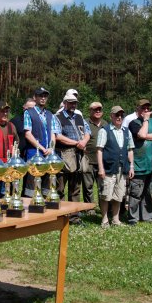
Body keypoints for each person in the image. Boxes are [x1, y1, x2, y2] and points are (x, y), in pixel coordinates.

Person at [96, 106, 134, 229]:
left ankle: (116, 219)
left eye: (121, 115)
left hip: (122, 168)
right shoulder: (104, 130)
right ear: (111, 116)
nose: (119, 117)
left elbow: (130, 150)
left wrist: (131, 166)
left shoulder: (127, 131)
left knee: (119, 195)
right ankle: (104, 219)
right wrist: (101, 168)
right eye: (117, 115)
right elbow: (99, 150)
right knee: (106, 195)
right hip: (108, 168)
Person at [55, 93, 90, 221]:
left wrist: (84, 141)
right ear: (64, 103)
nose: (73, 105)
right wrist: (77, 143)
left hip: (78, 156)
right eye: (70, 102)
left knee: (75, 188)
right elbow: (58, 136)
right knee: (60, 187)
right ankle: (61, 216)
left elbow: (87, 132)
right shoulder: (57, 117)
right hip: (63, 155)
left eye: (74, 102)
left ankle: (74, 216)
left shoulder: (80, 117)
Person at [127, 99, 152, 225]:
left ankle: (146, 216)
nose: (146, 110)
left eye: (148, 108)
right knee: (136, 192)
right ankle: (133, 218)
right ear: (138, 110)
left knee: (148, 191)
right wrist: (146, 121)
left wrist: (145, 135)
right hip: (139, 163)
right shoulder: (133, 123)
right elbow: (140, 134)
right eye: (143, 108)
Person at [23, 87, 61, 197]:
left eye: (45, 96)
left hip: (48, 154)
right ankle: (31, 212)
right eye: (41, 95)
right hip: (34, 154)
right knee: (32, 188)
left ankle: (45, 211)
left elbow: (53, 134)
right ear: (35, 97)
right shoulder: (29, 113)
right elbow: (28, 134)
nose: (43, 98)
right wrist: (42, 148)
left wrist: (51, 148)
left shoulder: (50, 114)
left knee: (46, 187)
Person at [83, 101, 108, 210]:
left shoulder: (106, 124)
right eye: (95, 109)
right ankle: (89, 209)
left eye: (100, 109)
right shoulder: (85, 123)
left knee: (102, 186)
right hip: (88, 159)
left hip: (102, 161)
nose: (98, 111)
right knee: (88, 187)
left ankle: (103, 208)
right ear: (90, 111)